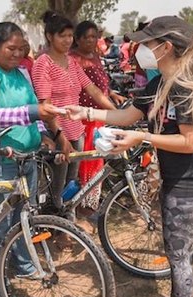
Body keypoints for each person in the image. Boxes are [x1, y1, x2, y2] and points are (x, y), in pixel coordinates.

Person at [64, 16, 193, 297]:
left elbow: (190, 142)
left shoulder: (185, 86)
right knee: (172, 243)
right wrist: (86, 113)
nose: (140, 49)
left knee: (177, 253)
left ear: (166, 47)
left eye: (147, 44)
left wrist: (142, 139)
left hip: (191, 182)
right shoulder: (160, 81)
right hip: (176, 178)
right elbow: (129, 114)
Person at [0, 19, 64, 296]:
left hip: (26, 158)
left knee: (25, 216)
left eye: (22, 48)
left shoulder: (22, 73)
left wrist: (43, 133)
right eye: (11, 48)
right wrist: (32, 113)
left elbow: (34, 111)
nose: (18, 54)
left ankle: (23, 264)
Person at [32, 11, 116, 222]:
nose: (69, 40)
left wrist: (115, 112)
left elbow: (93, 90)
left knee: (72, 183)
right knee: (57, 185)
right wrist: (59, 136)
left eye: (70, 35)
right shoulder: (43, 63)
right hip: (56, 132)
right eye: (63, 36)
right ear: (50, 37)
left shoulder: (71, 62)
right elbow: (45, 104)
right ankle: (54, 226)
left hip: (76, 131)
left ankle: (67, 222)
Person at [70, 20, 126, 216]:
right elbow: (87, 88)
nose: (92, 41)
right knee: (86, 162)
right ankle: (82, 203)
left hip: (100, 114)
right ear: (77, 39)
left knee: (98, 160)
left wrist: (111, 93)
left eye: (94, 37)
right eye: (87, 37)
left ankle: (91, 202)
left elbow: (99, 83)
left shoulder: (95, 56)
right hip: (84, 117)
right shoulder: (73, 59)